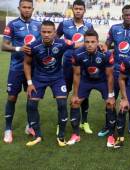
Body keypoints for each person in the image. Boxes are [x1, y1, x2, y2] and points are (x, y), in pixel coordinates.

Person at [23, 20, 80, 147]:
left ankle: (61, 135)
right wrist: (29, 82)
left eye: (49, 32)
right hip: (39, 79)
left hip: (57, 78)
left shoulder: (62, 43)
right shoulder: (33, 46)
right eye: (44, 32)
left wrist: (98, 45)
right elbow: (26, 64)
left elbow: (78, 44)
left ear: (55, 33)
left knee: (62, 104)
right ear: (40, 32)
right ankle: (37, 135)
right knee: (31, 105)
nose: (47, 34)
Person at [98, 4, 130, 138]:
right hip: (115, 70)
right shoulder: (115, 28)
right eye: (126, 15)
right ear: (122, 15)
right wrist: (105, 47)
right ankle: (108, 125)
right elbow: (107, 44)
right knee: (110, 99)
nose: (128, 17)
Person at [69, 30, 116, 147]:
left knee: (111, 104)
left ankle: (111, 135)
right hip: (86, 80)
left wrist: (111, 95)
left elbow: (110, 75)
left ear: (97, 42)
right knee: (75, 103)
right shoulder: (77, 54)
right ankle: (75, 134)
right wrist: (74, 94)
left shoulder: (106, 54)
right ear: (83, 42)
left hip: (102, 81)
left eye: (93, 42)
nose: (90, 44)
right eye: (87, 42)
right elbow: (76, 74)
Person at [2, 0, 40, 143]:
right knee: (12, 98)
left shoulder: (38, 25)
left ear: (32, 9)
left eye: (29, 7)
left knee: (32, 97)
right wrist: (19, 48)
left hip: (33, 68)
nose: (26, 10)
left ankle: (30, 125)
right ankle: (8, 129)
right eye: (24, 7)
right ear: (19, 8)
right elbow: (4, 46)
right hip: (16, 67)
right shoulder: (12, 25)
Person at [56, 0, 94, 134]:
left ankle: (84, 122)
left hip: (83, 64)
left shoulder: (89, 26)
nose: (78, 11)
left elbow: (92, 43)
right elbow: (55, 40)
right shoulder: (64, 24)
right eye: (76, 8)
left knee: (83, 93)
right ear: (72, 9)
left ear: (84, 11)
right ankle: (61, 122)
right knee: (64, 93)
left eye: (80, 9)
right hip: (67, 63)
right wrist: (69, 44)